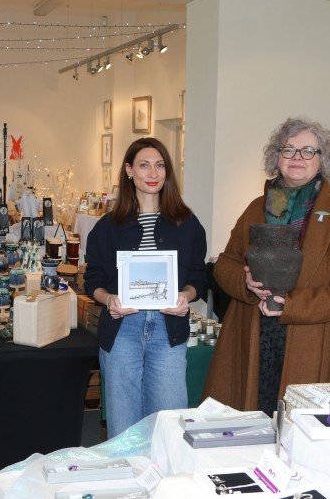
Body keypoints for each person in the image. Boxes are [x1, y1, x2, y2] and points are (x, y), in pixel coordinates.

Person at [203, 118, 330, 417]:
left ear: (322, 160)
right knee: (251, 421)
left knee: (300, 432)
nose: (297, 157)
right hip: (254, 333)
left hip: (313, 337)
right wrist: (245, 284)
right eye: (289, 149)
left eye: (308, 150)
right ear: (276, 157)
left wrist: (294, 305)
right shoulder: (256, 208)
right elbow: (226, 264)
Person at [84, 137, 207, 439]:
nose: (153, 173)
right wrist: (109, 298)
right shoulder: (107, 226)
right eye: (144, 165)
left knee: (168, 427)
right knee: (123, 430)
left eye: (160, 165)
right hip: (121, 329)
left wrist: (185, 296)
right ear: (129, 171)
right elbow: (93, 281)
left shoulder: (187, 224)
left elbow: (199, 277)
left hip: (169, 329)